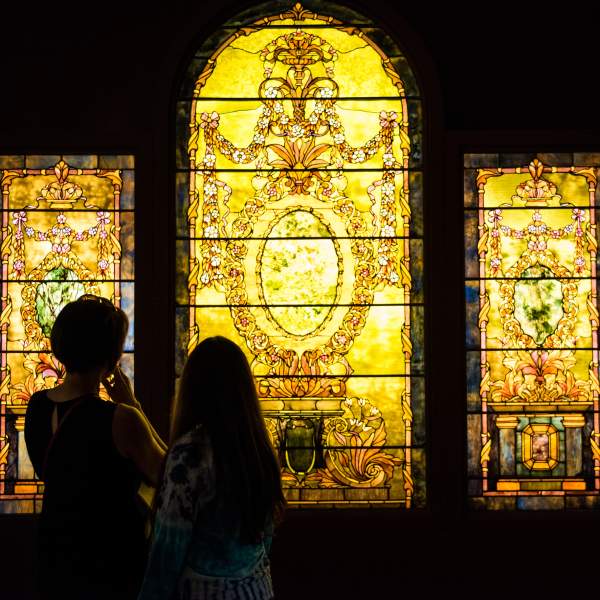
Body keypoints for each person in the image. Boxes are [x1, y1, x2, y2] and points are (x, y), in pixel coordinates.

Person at [24, 295, 167, 600]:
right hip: (111, 568)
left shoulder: (37, 407)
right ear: (111, 356)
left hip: (56, 560)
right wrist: (131, 404)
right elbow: (171, 475)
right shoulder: (120, 418)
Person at [138, 336, 285, 600]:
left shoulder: (190, 455)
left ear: (192, 389)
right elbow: (266, 537)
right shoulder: (257, 450)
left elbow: (168, 548)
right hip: (256, 589)